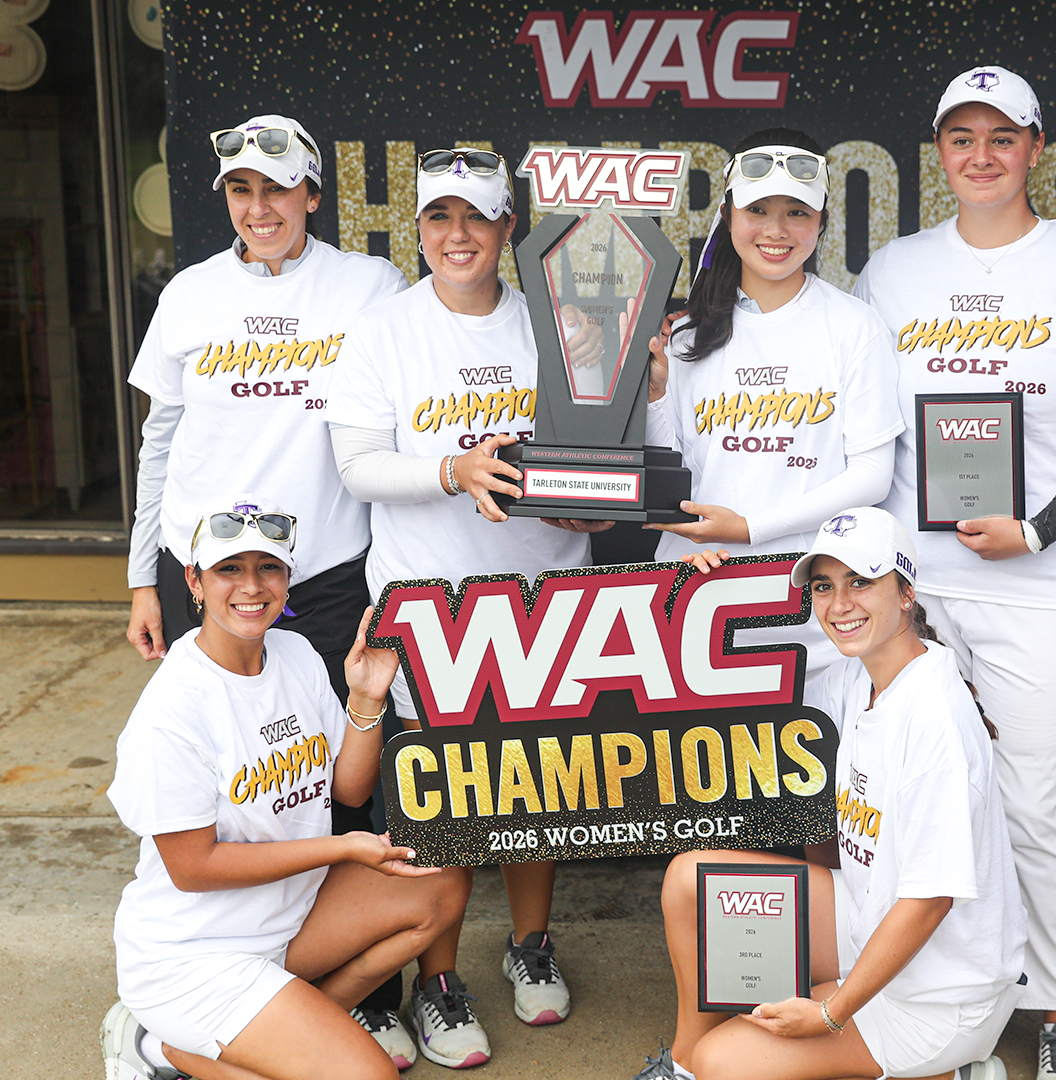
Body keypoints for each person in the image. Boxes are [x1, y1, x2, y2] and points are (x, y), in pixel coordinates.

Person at [851, 65, 1056, 1079]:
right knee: (909, 810)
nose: (981, 157)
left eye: (1002, 138)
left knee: (1025, 808)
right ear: (939, 150)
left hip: (1040, 590)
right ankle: (954, 1018)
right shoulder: (892, 271)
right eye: (961, 138)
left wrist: (1039, 527)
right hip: (917, 593)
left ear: (1036, 148)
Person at [119, 113, 417, 1066]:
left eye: (278, 189)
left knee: (339, 778)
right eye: (241, 191)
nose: (259, 208)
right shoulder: (190, 294)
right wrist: (142, 577)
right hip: (213, 574)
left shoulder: (370, 287)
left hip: (322, 575)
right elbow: (160, 441)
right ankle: (223, 998)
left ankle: (357, 998)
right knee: (233, 765)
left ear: (312, 195)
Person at [326, 147, 594, 1068]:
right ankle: (439, 983)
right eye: (439, 216)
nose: (458, 234)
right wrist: (454, 468)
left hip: (545, 595)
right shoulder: (385, 330)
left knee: (538, 784)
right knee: (440, 798)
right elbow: (358, 466)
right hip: (429, 604)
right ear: (418, 229)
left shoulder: (556, 324)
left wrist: (582, 497)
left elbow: (589, 452)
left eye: (477, 216)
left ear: (509, 227)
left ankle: (530, 943)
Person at [635, 506, 1026, 1080]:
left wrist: (830, 1012)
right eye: (824, 586)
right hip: (869, 912)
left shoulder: (935, 721)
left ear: (907, 593)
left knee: (729, 1062)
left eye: (861, 581)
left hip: (939, 996)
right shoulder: (859, 673)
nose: (839, 604)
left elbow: (930, 902)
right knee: (694, 882)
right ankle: (683, 1066)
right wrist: (695, 594)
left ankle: (947, 1071)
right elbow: (737, 711)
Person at [99, 496, 472, 1080]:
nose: (251, 586)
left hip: (290, 920)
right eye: (229, 569)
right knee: (370, 1077)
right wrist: (343, 848)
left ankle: (211, 1045)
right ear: (194, 581)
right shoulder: (173, 709)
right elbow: (193, 868)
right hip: (195, 956)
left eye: (268, 567)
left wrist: (365, 698)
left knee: (441, 884)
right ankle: (161, 1047)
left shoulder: (295, 654)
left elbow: (348, 791)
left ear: (288, 579)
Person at [644, 129, 904, 694]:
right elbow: (672, 471)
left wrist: (749, 529)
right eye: (757, 210)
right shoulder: (685, 335)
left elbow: (872, 476)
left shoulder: (853, 326)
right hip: (696, 597)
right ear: (727, 215)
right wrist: (658, 395)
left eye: (797, 213)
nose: (776, 230)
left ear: (821, 222)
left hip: (815, 615)